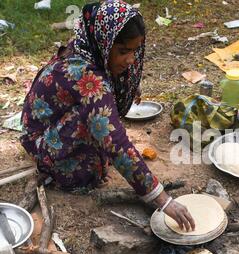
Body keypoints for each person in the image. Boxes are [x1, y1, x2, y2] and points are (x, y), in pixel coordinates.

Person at [20, 0, 195, 231]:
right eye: (123, 52)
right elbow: (115, 142)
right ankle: (58, 169)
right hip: (42, 140)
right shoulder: (86, 77)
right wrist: (162, 199)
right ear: (105, 43)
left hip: (56, 122)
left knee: (99, 119)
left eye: (134, 51)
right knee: (90, 163)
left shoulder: (88, 45)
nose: (131, 60)